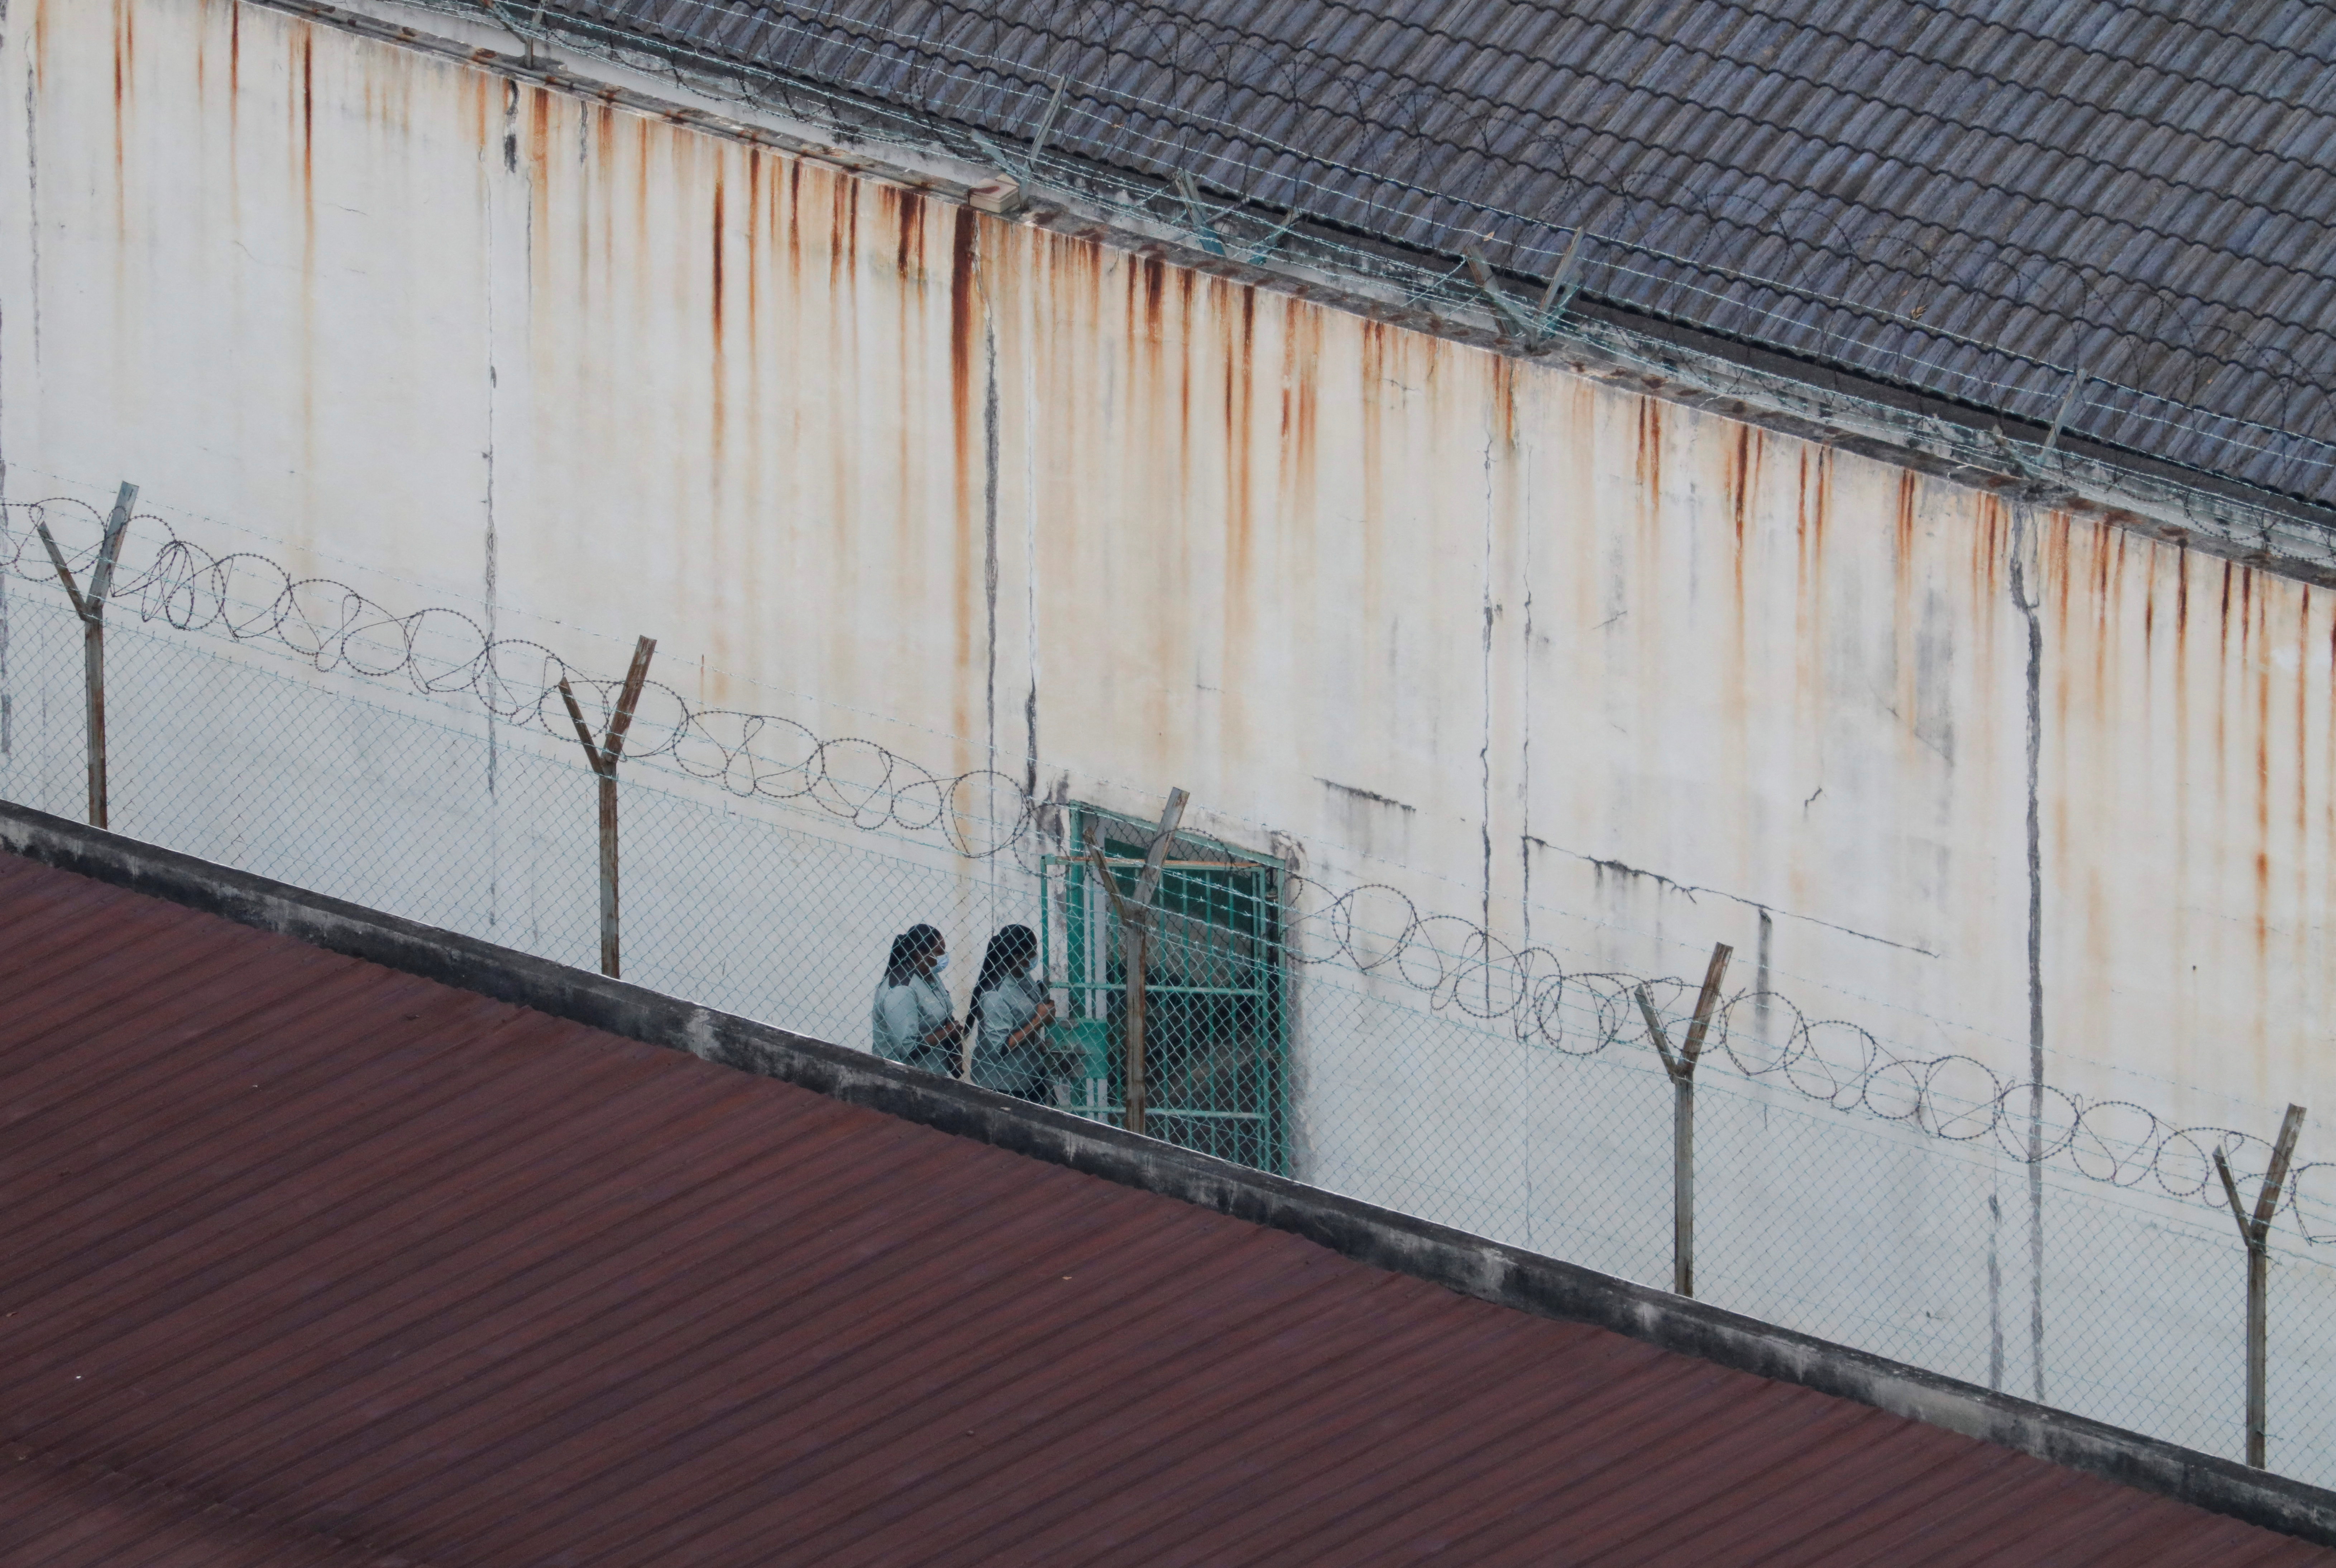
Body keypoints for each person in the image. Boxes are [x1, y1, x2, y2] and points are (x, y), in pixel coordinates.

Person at [964, 924, 1055, 1100]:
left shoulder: (1023, 977)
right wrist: (1039, 1021)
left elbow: (1024, 1019)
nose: (1035, 957)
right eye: (1032, 953)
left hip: (1029, 1075)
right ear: (1018, 957)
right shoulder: (995, 995)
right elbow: (999, 1049)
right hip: (1002, 1084)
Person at [872, 924, 960, 1073]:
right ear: (920, 954)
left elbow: (942, 1011)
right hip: (903, 1077)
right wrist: (948, 1033)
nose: (944, 957)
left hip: (934, 1073)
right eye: (939, 952)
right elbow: (908, 1048)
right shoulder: (902, 990)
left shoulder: (931, 976)